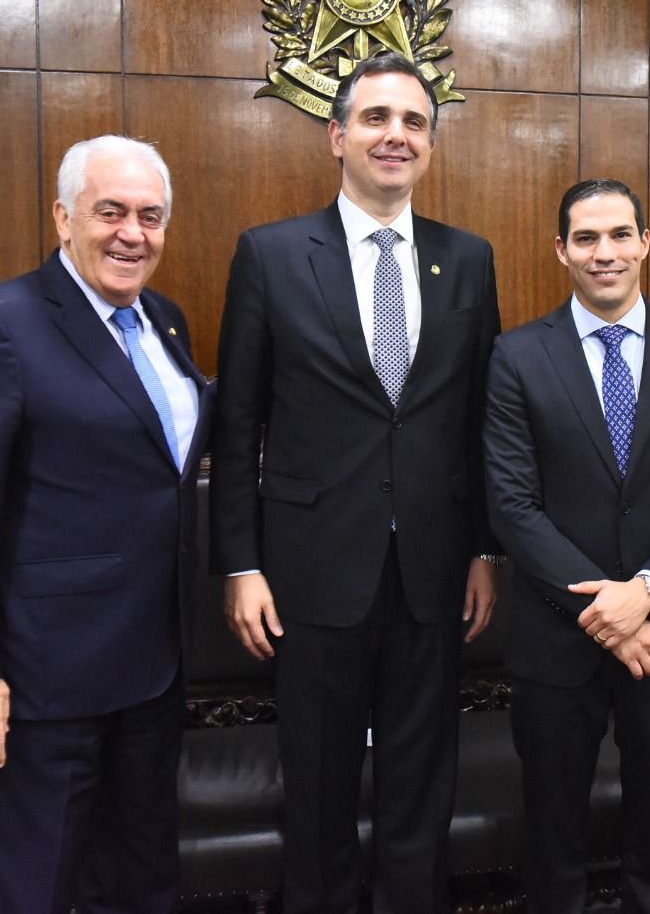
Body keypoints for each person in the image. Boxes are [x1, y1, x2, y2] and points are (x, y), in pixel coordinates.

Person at [212, 51, 501, 914]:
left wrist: (484, 548)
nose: (395, 136)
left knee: (422, 785)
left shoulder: (469, 259)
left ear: (430, 146)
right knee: (321, 785)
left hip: (434, 570)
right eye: (376, 118)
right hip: (309, 570)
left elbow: (479, 420)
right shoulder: (268, 255)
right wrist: (240, 564)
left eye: (414, 122)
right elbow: (237, 428)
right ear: (338, 136)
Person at [0, 135, 212, 913]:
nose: (131, 233)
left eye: (150, 217)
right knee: (39, 884)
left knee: (141, 875)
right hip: (47, 678)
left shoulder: (166, 321)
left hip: (153, 661)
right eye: (109, 211)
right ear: (63, 217)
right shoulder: (0, 324)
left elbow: (165, 470)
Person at [484, 178, 650, 914]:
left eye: (620, 235)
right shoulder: (517, 355)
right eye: (588, 238)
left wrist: (648, 592)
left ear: (646, 242)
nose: (606, 253)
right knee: (553, 815)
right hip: (556, 635)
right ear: (561, 250)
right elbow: (511, 504)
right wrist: (607, 610)